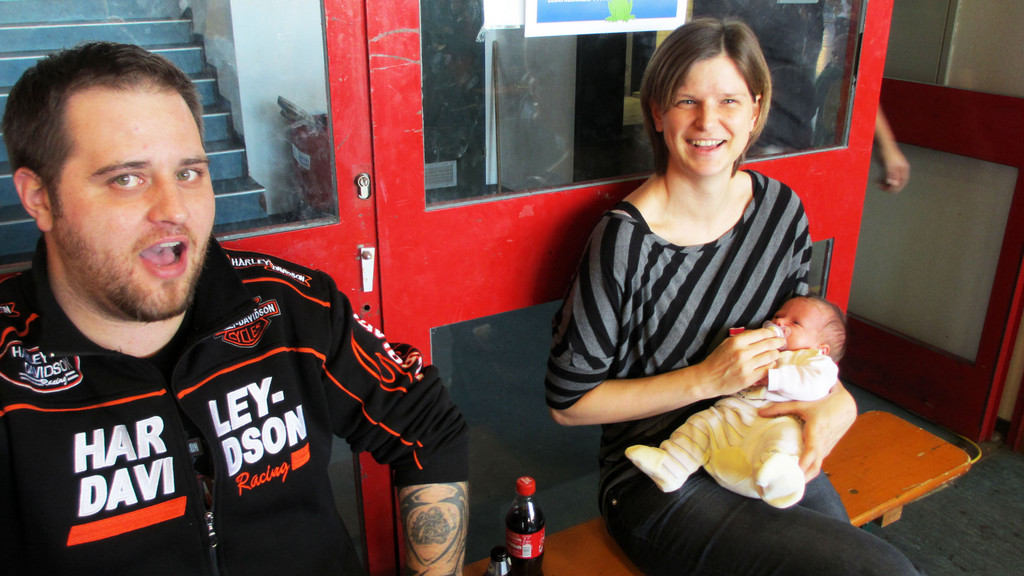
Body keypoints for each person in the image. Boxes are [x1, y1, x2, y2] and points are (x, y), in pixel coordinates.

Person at [0, 42, 468, 575]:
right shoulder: (11, 374)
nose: (174, 210)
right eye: (126, 178)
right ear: (39, 197)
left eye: (189, 173)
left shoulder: (286, 304)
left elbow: (428, 424)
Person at [545, 19, 922, 575]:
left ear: (755, 111)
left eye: (729, 100)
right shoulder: (624, 240)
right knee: (876, 570)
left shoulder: (781, 212)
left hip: (760, 440)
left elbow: (797, 343)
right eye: (686, 101)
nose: (707, 121)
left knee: (870, 564)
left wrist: (839, 398)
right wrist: (706, 379)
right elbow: (567, 403)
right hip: (658, 477)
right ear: (657, 112)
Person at [625, 296, 846, 509]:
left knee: (786, 437)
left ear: (821, 348)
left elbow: (817, 384)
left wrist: (774, 377)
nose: (780, 322)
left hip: (774, 421)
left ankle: (777, 476)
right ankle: (671, 465)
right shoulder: (761, 347)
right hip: (732, 416)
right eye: (779, 315)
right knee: (702, 423)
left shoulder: (812, 360)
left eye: (795, 323)